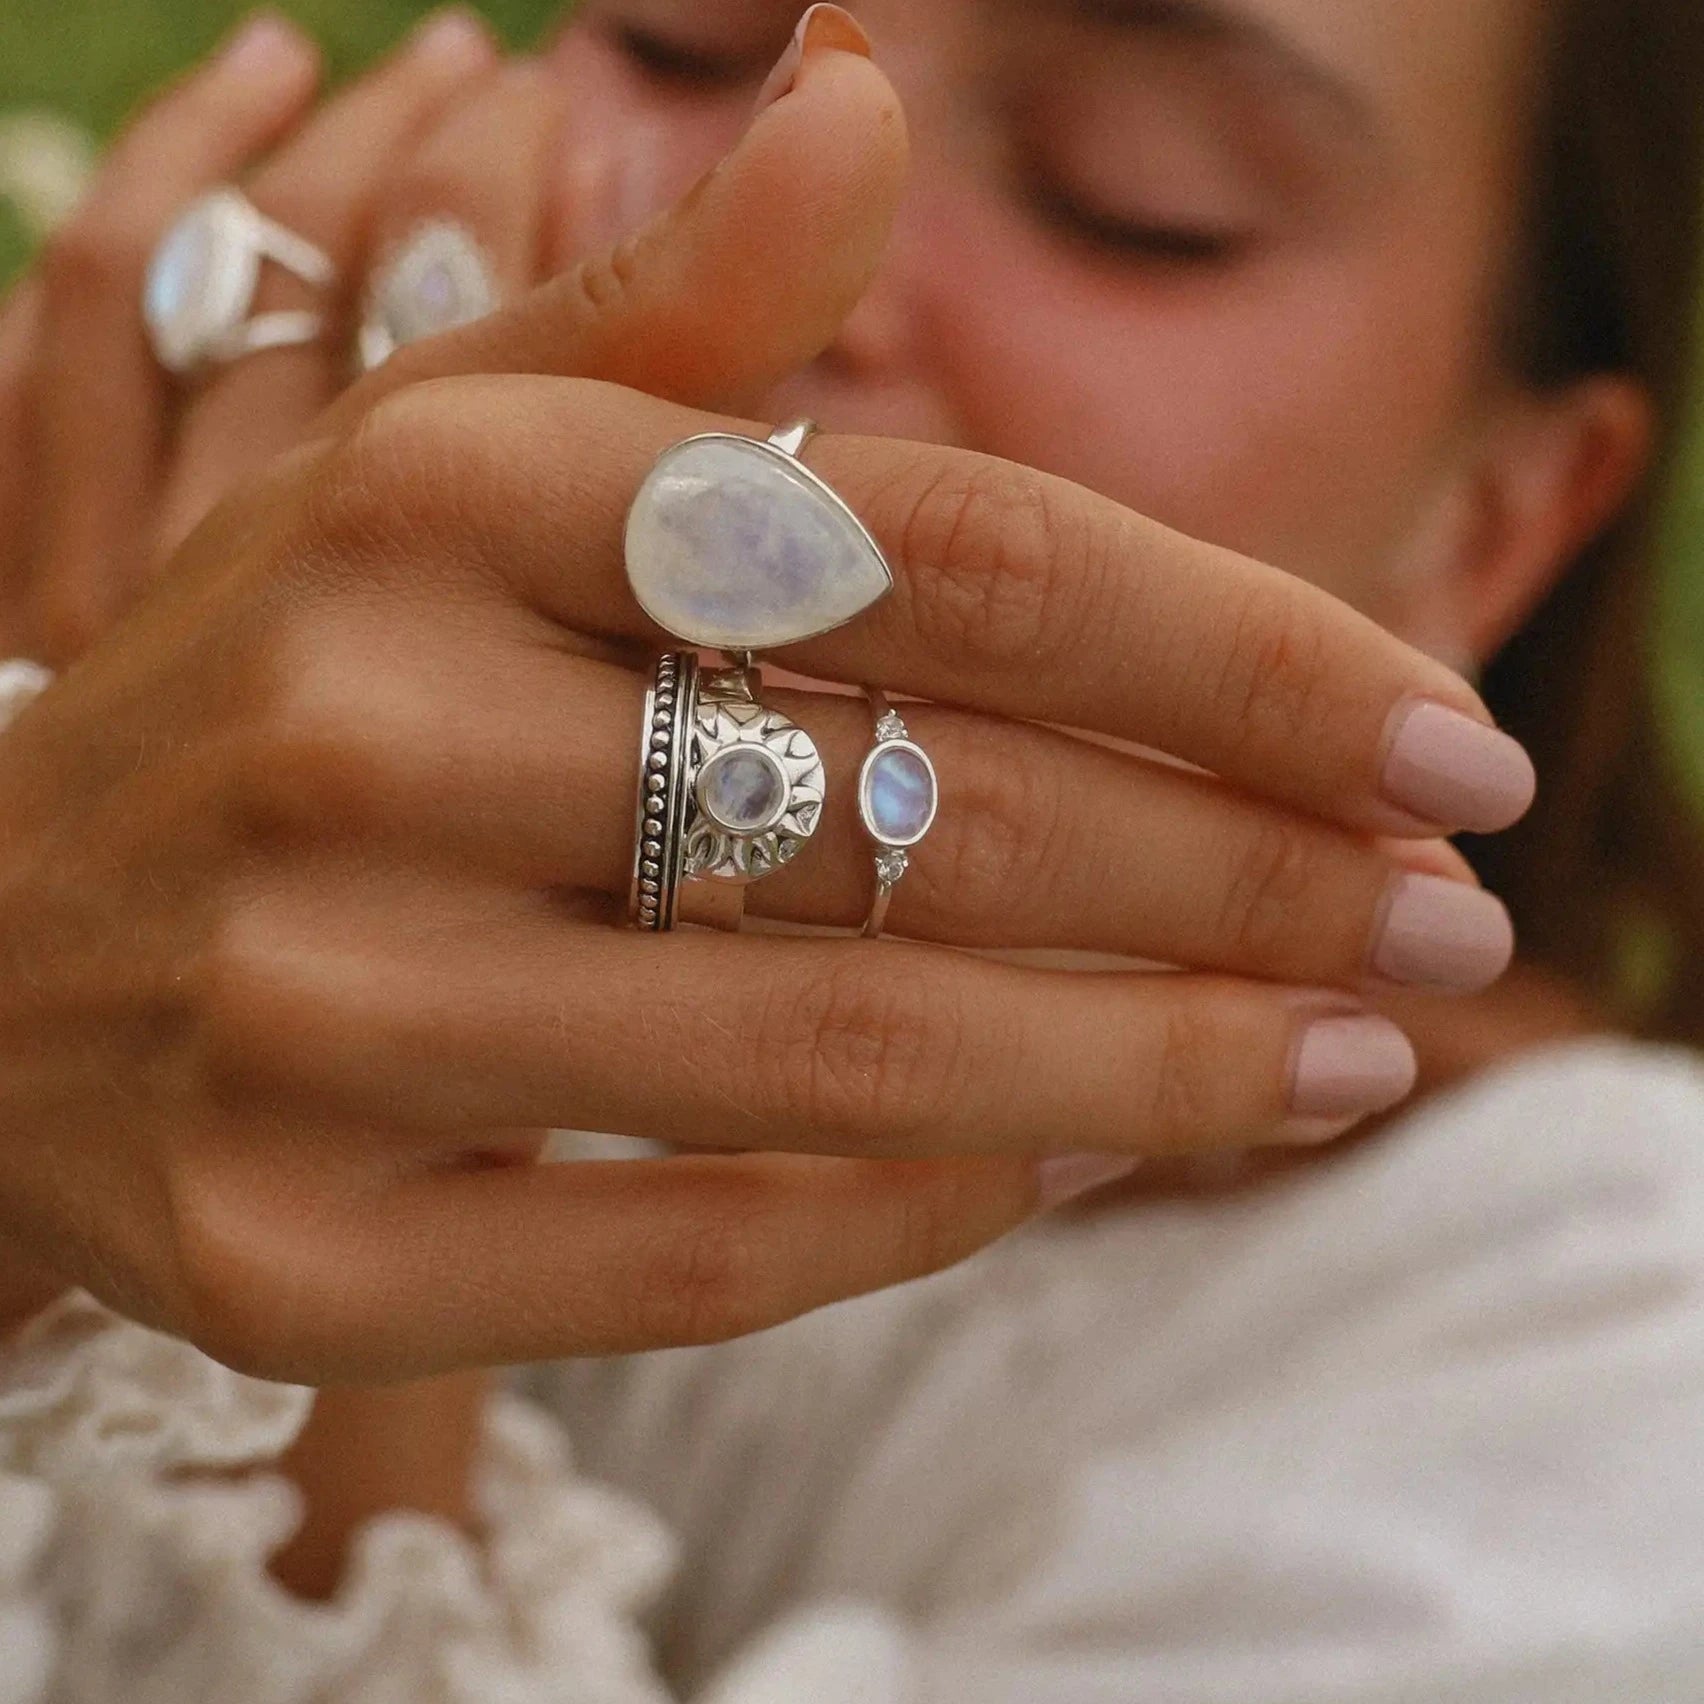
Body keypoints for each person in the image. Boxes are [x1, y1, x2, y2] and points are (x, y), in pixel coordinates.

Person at [0, 1, 1701, 1698]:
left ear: (1501, 512)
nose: (799, 258)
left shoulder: (1610, 1371)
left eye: (1134, 192)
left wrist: (335, 1266)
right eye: (682, 39)